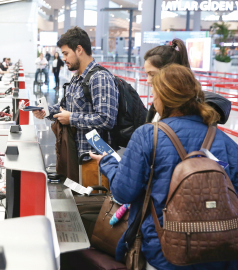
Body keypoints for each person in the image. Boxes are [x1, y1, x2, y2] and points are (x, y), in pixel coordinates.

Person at [90, 64, 238, 270]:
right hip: (220, 253)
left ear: (165, 98)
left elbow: (124, 192)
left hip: (164, 251)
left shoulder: (148, 136)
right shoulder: (225, 141)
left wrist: (108, 163)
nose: (152, 100)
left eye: (154, 94)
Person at [33, 26, 119, 189]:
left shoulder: (100, 78)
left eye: (66, 53)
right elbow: (64, 106)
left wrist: (71, 118)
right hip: (75, 156)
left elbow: (107, 119)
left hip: (94, 159)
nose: (63, 58)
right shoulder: (77, 78)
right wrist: (47, 111)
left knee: (92, 207)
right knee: (78, 206)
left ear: (79, 49)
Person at [144, 38, 231, 124]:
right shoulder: (160, 101)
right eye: (147, 74)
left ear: (171, 72)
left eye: (152, 74)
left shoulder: (195, 109)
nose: (148, 80)